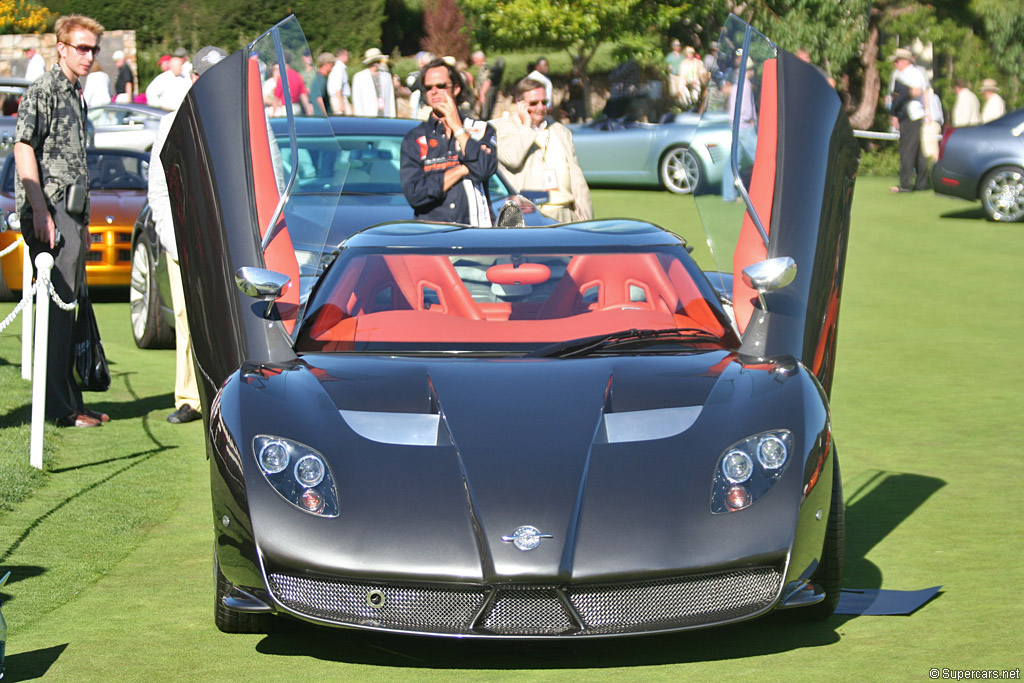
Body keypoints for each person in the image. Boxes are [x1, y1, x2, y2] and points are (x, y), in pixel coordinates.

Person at [14, 14, 109, 428]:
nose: (89, 56)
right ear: (62, 48)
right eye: (82, 48)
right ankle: (59, 409)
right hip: (48, 214)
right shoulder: (45, 89)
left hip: (70, 215)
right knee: (56, 311)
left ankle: (71, 400)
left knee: (67, 311)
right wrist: (40, 211)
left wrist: (83, 221)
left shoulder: (75, 92)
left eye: (94, 49)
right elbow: (23, 148)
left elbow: (75, 164)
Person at [148, 45, 228, 425]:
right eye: (206, 75)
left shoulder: (244, 118)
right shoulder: (171, 124)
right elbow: (159, 190)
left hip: (232, 241)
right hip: (185, 239)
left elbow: (271, 179)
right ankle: (190, 398)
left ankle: (232, 398)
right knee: (185, 316)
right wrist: (172, 237)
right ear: (193, 78)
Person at [400, 57, 497, 225]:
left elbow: (483, 169)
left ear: (456, 88)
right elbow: (415, 194)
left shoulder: (481, 130)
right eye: (429, 87)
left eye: (441, 86)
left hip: (475, 233)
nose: (434, 91)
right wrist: (461, 170)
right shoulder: (414, 138)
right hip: (432, 237)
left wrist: (458, 129)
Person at [491, 77, 592, 223]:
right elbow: (512, 158)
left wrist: (585, 218)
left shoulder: (561, 131)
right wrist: (527, 126)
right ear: (519, 103)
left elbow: (577, 179)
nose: (540, 107)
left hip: (565, 213)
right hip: (529, 215)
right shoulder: (501, 128)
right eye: (533, 103)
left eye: (544, 102)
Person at [887, 47, 930, 193]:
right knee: (917, 151)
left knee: (907, 150)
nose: (895, 64)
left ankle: (905, 184)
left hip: (912, 115)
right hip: (907, 115)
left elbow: (918, 91)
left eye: (897, 61)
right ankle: (922, 183)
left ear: (904, 61)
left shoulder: (913, 73)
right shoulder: (902, 74)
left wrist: (904, 92)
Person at [351, 48, 396, 117]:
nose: (379, 63)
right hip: (368, 115)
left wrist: (392, 116)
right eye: (377, 61)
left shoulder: (386, 76)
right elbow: (357, 100)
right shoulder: (359, 77)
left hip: (384, 114)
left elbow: (390, 98)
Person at [406, 51, 434, 119]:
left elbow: (412, 89)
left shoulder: (423, 76)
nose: (420, 66)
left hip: (427, 108)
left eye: (422, 64)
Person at [326, 48, 351, 115]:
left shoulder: (338, 67)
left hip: (338, 97)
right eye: (347, 55)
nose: (348, 57)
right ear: (343, 56)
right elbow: (337, 87)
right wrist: (341, 103)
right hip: (339, 98)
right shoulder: (339, 68)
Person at [311, 52, 333, 116]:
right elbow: (319, 99)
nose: (333, 66)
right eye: (332, 64)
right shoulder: (321, 79)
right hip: (321, 117)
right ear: (327, 64)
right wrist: (326, 115)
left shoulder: (318, 78)